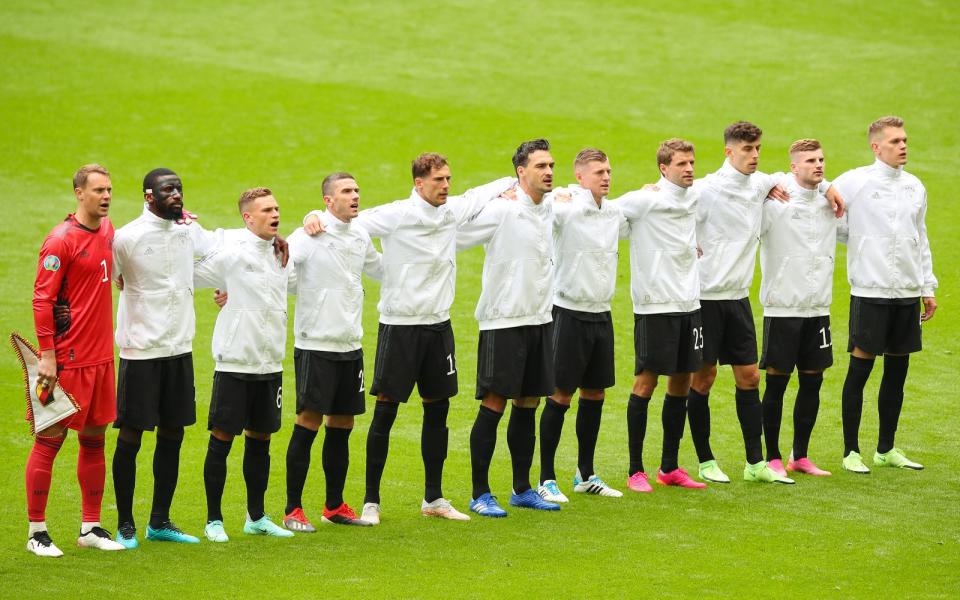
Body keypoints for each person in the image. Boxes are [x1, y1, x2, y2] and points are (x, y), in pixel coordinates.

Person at [302, 155, 513, 524]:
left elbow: (482, 194)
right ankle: (371, 501)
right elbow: (346, 220)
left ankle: (434, 497)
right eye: (437, 180)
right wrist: (311, 216)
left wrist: (514, 181)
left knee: (438, 411)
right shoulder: (395, 215)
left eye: (448, 178)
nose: (445, 185)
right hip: (399, 327)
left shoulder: (452, 210)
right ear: (419, 183)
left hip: (438, 327)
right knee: (386, 411)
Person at [688, 121, 841, 485]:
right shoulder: (706, 189)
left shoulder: (762, 185)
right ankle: (705, 460)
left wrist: (829, 184)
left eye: (757, 148)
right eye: (746, 149)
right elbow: (676, 209)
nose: (754, 155)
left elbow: (800, 175)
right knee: (704, 377)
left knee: (750, 376)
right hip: (706, 298)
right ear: (729, 151)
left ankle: (756, 463)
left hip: (738, 299)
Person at [110, 168, 218, 548]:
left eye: (179, 189)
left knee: (173, 433)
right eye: (167, 189)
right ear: (148, 196)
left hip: (179, 350)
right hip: (141, 351)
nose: (177, 195)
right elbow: (109, 276)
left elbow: (219, 252)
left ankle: (160, 521)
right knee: (132, 435)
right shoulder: (127, 237)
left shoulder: (188, 231)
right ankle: (125, 523)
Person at [458, 138, 562, 516]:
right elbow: (453, 234)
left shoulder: (551, 204)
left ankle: (522, 488)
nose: (549, 172)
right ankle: (479, 493)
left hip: (539, 318)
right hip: (503, 321)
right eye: (541, 167)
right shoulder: (501, 210)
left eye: (551, 165)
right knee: (495, 403)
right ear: (521, 172)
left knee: (529, 403)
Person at [26, 164, 125, 556]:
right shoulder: (59, 241)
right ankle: (37, 532)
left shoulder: (106, 229)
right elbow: (41, 300)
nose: (106, 196)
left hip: (101, 357)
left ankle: (91, 526)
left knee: (95, 439)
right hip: (65, 360)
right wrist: (46, 355)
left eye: (109, 190)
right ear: (78, 194)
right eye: (98, 190)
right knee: (49, 441)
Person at [832, 116, 937, 473]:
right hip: (870, 290)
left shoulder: (914, 186)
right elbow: (824, 205)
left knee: (897, 373)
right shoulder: (856, 181)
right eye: (895, 141)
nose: (903, 145)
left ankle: (886, 448)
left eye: (904, 139)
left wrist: (927, 286)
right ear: (876, 147)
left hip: (906, 292)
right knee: (860, 371)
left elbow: (919, 237)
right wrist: (860, 242)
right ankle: (851, 452)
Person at [195, 187, 296, 542]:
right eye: (266, 210)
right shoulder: (232, 253)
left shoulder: (282, 255)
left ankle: (256, 516)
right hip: (235, 362)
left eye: (277, 208)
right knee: (222, 439)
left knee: (261, 440)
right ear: (247, 218)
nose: (275, 215)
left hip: (270, 364)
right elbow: (192, 270)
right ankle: (213, 520)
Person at [282, 173, 382, 530]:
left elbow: (379, 268)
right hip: (315, 343)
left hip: (349, 343)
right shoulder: (310, 234)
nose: (355, 195)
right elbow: (280, 269)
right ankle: (292, 509)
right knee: (309, 421)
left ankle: (334, 505)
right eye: (346, 191)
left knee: (342, 423)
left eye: (357, 189)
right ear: (328, 200)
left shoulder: (359, 234)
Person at [616, 139, 708, 491]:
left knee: (682, 380)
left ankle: (669, 466)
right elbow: (604, 210)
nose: (689, 169)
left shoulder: (696, 195)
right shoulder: (645, 199)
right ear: (663, 168)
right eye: (681, 164)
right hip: (655, 306)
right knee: (646, 382)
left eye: (691, 163)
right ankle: (635, 469)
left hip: (690, 304)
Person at [535, 148, 625, 503]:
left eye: (608, 170)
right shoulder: (565, 208)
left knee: (596, 393)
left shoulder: (615, 211)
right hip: (568, 313)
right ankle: (545, 478)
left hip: (601, 315)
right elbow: (538, 209)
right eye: (598, 172)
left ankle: (585, 474)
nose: (606, 177)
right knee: (560, 395)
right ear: (580, 177)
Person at [758, 140, 838, 477]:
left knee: (813, 381)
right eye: (809, 160)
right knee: (776, 384)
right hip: (783, 309)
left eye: (821, 159)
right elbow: (749, 182)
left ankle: (800, 455)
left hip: (818, 307)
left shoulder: (828, 202)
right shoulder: (775, 203)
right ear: (793, 167)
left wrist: (830, 186)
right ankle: (773, 456)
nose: (818, 165)